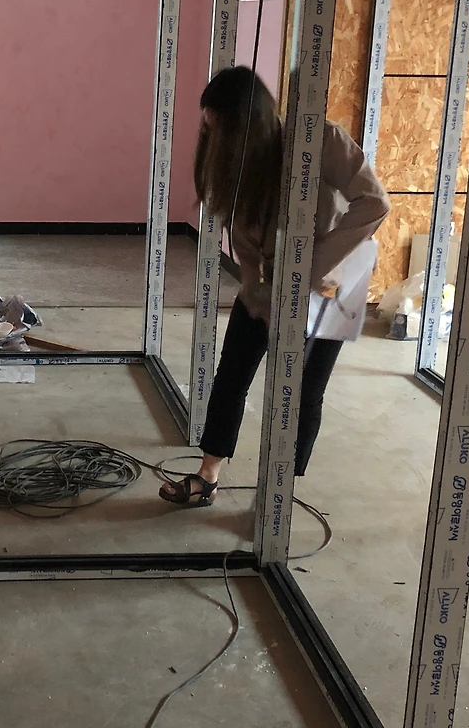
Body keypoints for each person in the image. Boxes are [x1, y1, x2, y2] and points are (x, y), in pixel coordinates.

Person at [159, 66, 390, 507]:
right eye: (209, 127)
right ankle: (208, 475)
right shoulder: (233, 164)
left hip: (330, 285)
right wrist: (254, 290)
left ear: (251, 122)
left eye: (221, 128)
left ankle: (279, 494)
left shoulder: (319, 140)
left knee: (304, 391)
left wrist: (305, 273)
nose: (214, 139)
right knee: (232, 375)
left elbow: (374, 203)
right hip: (272, 277)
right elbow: (241, 234)